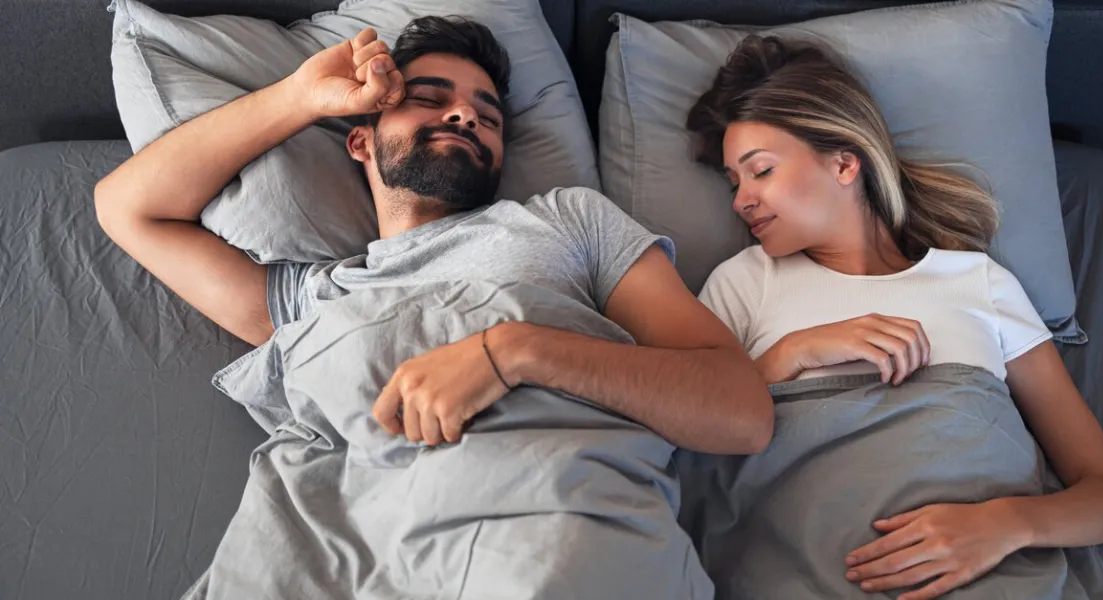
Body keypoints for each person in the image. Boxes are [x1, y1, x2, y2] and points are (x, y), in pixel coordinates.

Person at [94, 17, 772, 597]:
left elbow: (739, 411)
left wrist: (515, 352)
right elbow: (129, 209)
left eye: (489, 114)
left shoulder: (569, 222)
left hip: (551, 546)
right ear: (359, 140)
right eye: (429, 98)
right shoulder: (319, 297)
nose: (466, 115)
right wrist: (299, 98)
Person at [686, 36, 1103, 600]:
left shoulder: (978, 282)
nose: (741, 200)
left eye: (761, 172)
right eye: (733, 183)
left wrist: (1002, 525)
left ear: (845, 162)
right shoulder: (744, 283)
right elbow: (685, 433)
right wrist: (791, 354)